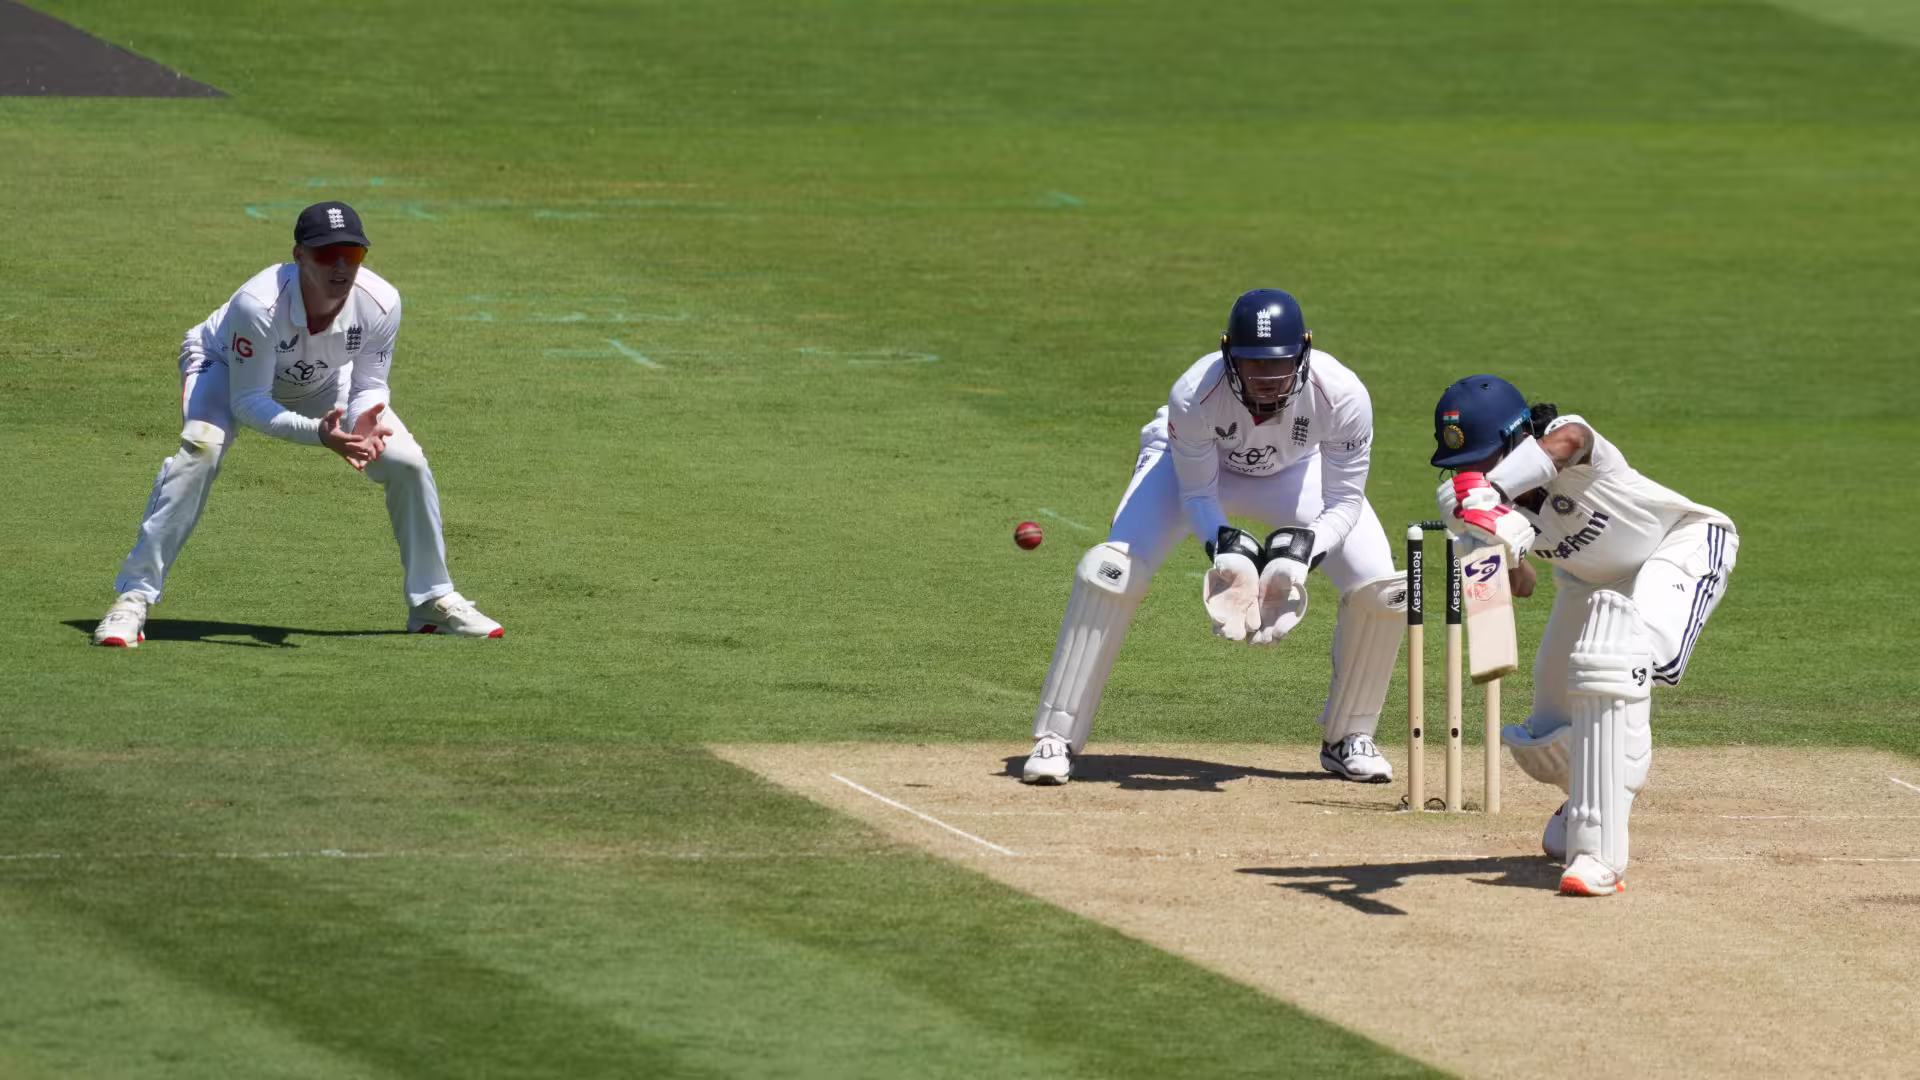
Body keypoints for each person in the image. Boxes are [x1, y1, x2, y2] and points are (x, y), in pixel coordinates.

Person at [1023, 289, 1406, 785]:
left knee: (1384, 589)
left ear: (1304, 353)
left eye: (1281, 365)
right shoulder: (1194, 393)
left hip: (1297, 470)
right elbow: (1198, 496)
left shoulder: (1344, 395)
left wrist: (1304, 551)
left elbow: (1345, 503)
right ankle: (1057, 737)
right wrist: (1225, 547)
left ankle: (1349, 736)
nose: (1267, 381)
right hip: (1197, 470)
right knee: (1111, 571)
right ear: (1229, 355)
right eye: (1252, 365)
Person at [91, 201, 502, 647]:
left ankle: (431, 601)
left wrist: (363, 422)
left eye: (354, 255)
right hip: (225, 366)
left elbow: (370, 384)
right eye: (327, 255)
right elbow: (249, 402)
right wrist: (322, 436)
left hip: (324, 381)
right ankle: (132, 598)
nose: (342, 266)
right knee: (200, 450)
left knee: (407, 463)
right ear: (299, 255)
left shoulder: (381, 302)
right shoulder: (258, 305)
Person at [1430, 374, 1736, 896]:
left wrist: (1493, 489)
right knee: (1546, 732)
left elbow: (1568, 441)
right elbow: (1521, 585)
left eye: (1484, 459)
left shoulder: (1570, 440)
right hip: (1588, 583)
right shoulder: (1476, 503)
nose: (1472, 473)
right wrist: (1485, 551)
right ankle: (1586, 801)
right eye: (1466, 467)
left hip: (1679, 547)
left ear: (1516, 439)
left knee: (1621, 660)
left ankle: (1601, 852)